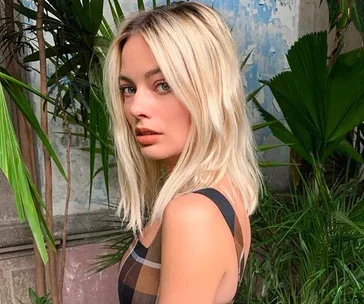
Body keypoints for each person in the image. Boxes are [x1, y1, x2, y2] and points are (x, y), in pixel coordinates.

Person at [103, 1, 262, 303]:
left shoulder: (193, 214)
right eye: (128, 89)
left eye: (163, 85)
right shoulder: (224, 190)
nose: (136, 107)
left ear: (208, 91)